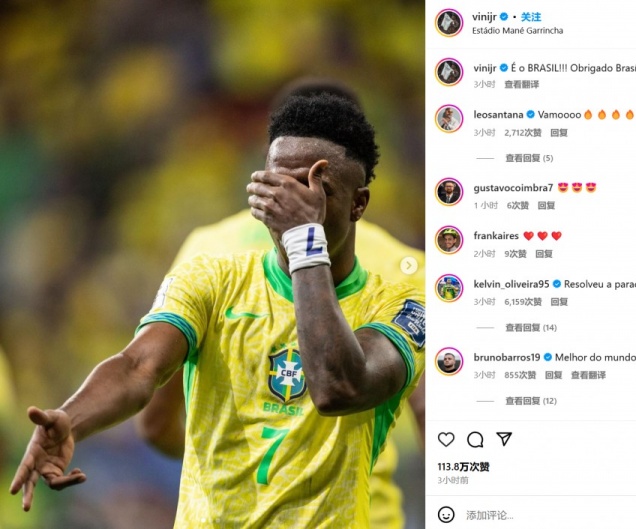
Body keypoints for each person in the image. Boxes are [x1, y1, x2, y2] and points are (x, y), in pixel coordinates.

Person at [10, 94, 425, 528]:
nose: (290, 206)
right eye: (279, 187)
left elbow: (338, 388)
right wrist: (72, 419)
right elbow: (137, 366)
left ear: (359, 203)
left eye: (314, 192)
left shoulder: (401, 306)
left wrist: (305, 242)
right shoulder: (211, 279)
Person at [134, 80, 426, 529]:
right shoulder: (407, 267)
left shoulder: (210, 248)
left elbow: (156, 420)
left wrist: (232, 462)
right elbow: (432, 414)